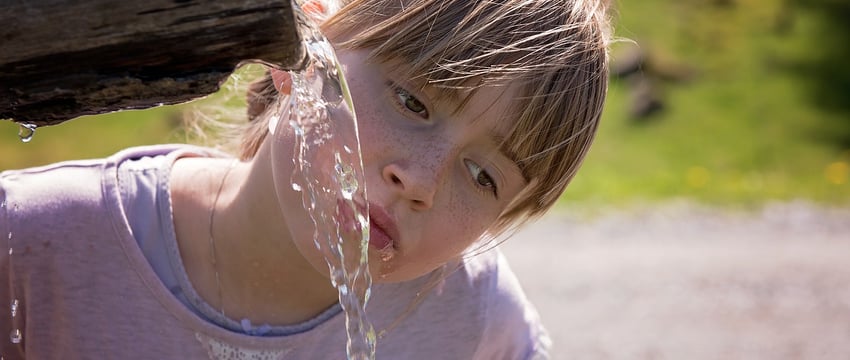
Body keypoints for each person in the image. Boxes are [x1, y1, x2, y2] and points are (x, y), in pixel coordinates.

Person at [0, 0, 611, 358]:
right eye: (412, 102)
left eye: (482, 176)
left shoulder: (470, 313)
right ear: (303, 45)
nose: (420, 181)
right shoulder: (35, 245)